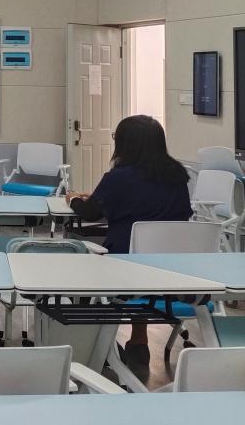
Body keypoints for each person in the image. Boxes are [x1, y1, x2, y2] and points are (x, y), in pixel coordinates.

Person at [66, 114, 192, 365]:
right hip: (173, 270)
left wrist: (74, 199)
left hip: (123, 269)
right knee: (144, 260)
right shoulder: (178, 176)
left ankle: (92, 345)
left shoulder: (119, 177)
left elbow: (91, 213)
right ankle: (139, 340)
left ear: (125, 144)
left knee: (87, 265)